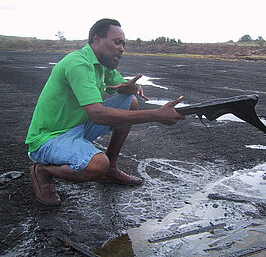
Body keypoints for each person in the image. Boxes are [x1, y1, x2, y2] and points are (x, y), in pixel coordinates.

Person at [25, 18, 185, 206]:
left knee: (130, 101)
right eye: (117, 42)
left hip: (77, 127)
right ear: (96, 39)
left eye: (123, 44)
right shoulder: (78, 63)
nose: (122, 48)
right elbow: (98, 115)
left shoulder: (102, 66)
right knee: (97, 165)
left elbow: (119, 86)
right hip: (49, 138)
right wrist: (155, 115)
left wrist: (129, 88)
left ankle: (112, 168)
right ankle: (43, 171)